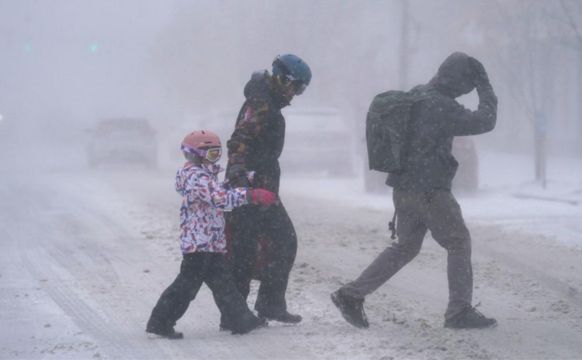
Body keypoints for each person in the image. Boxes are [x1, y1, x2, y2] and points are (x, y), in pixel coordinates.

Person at [331, 52, 498, 329]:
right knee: (458, 242)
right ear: (459, 82)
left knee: (405, 247)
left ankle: (351, 294)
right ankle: (459, 311)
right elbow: (485, 121)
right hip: (431, 190)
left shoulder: (417, 96)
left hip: (404, 189)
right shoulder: (442, 106)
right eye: (467, 85)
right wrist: (485, 86)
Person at [146, 130, 277, 338]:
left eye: (217, 154)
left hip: (211, 242)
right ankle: (160, 321)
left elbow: (217, 190)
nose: (214, 159)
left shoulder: (203, 176)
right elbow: (220, 198)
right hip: (199, 244)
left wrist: (243, 179)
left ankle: (241, 320)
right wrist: (251, 195)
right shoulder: (196, 177)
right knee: (186, 286)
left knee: (223, 284)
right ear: (195, 154)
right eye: (211, 154)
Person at [224, 54, 311, 324]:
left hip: (263, 186)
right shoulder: (261, 102)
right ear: (282, 79)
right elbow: (240, 138)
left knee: (276, 242)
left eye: (301, 90)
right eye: (296, 87)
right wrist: (239, 171)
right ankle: (235, 314)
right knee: (245, 248)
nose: (296, 94)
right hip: (250, 186)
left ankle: (268, 304)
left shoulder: (267, 101)